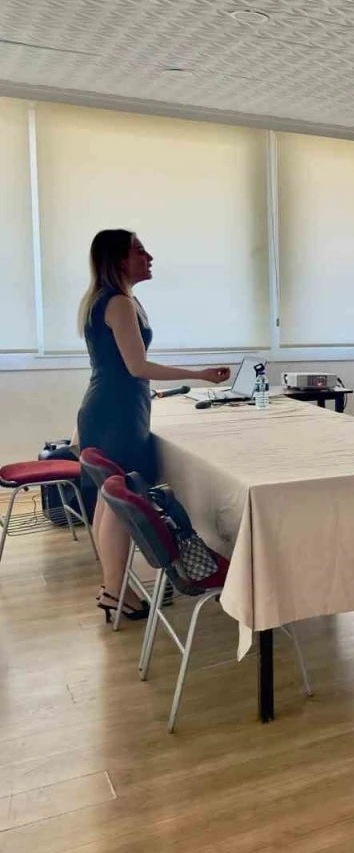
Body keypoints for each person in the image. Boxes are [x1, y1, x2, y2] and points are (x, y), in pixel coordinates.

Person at [76, 230, 231, 621]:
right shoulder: (119, 302)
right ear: (119, 259)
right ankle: (116, 591)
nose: (150, 258)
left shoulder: (108, 299)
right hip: (117, 411)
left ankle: (113, 587)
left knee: (109, 499)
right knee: (118, 499)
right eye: (140, 251)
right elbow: (138, 366)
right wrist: (200, 374)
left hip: (112, 406)